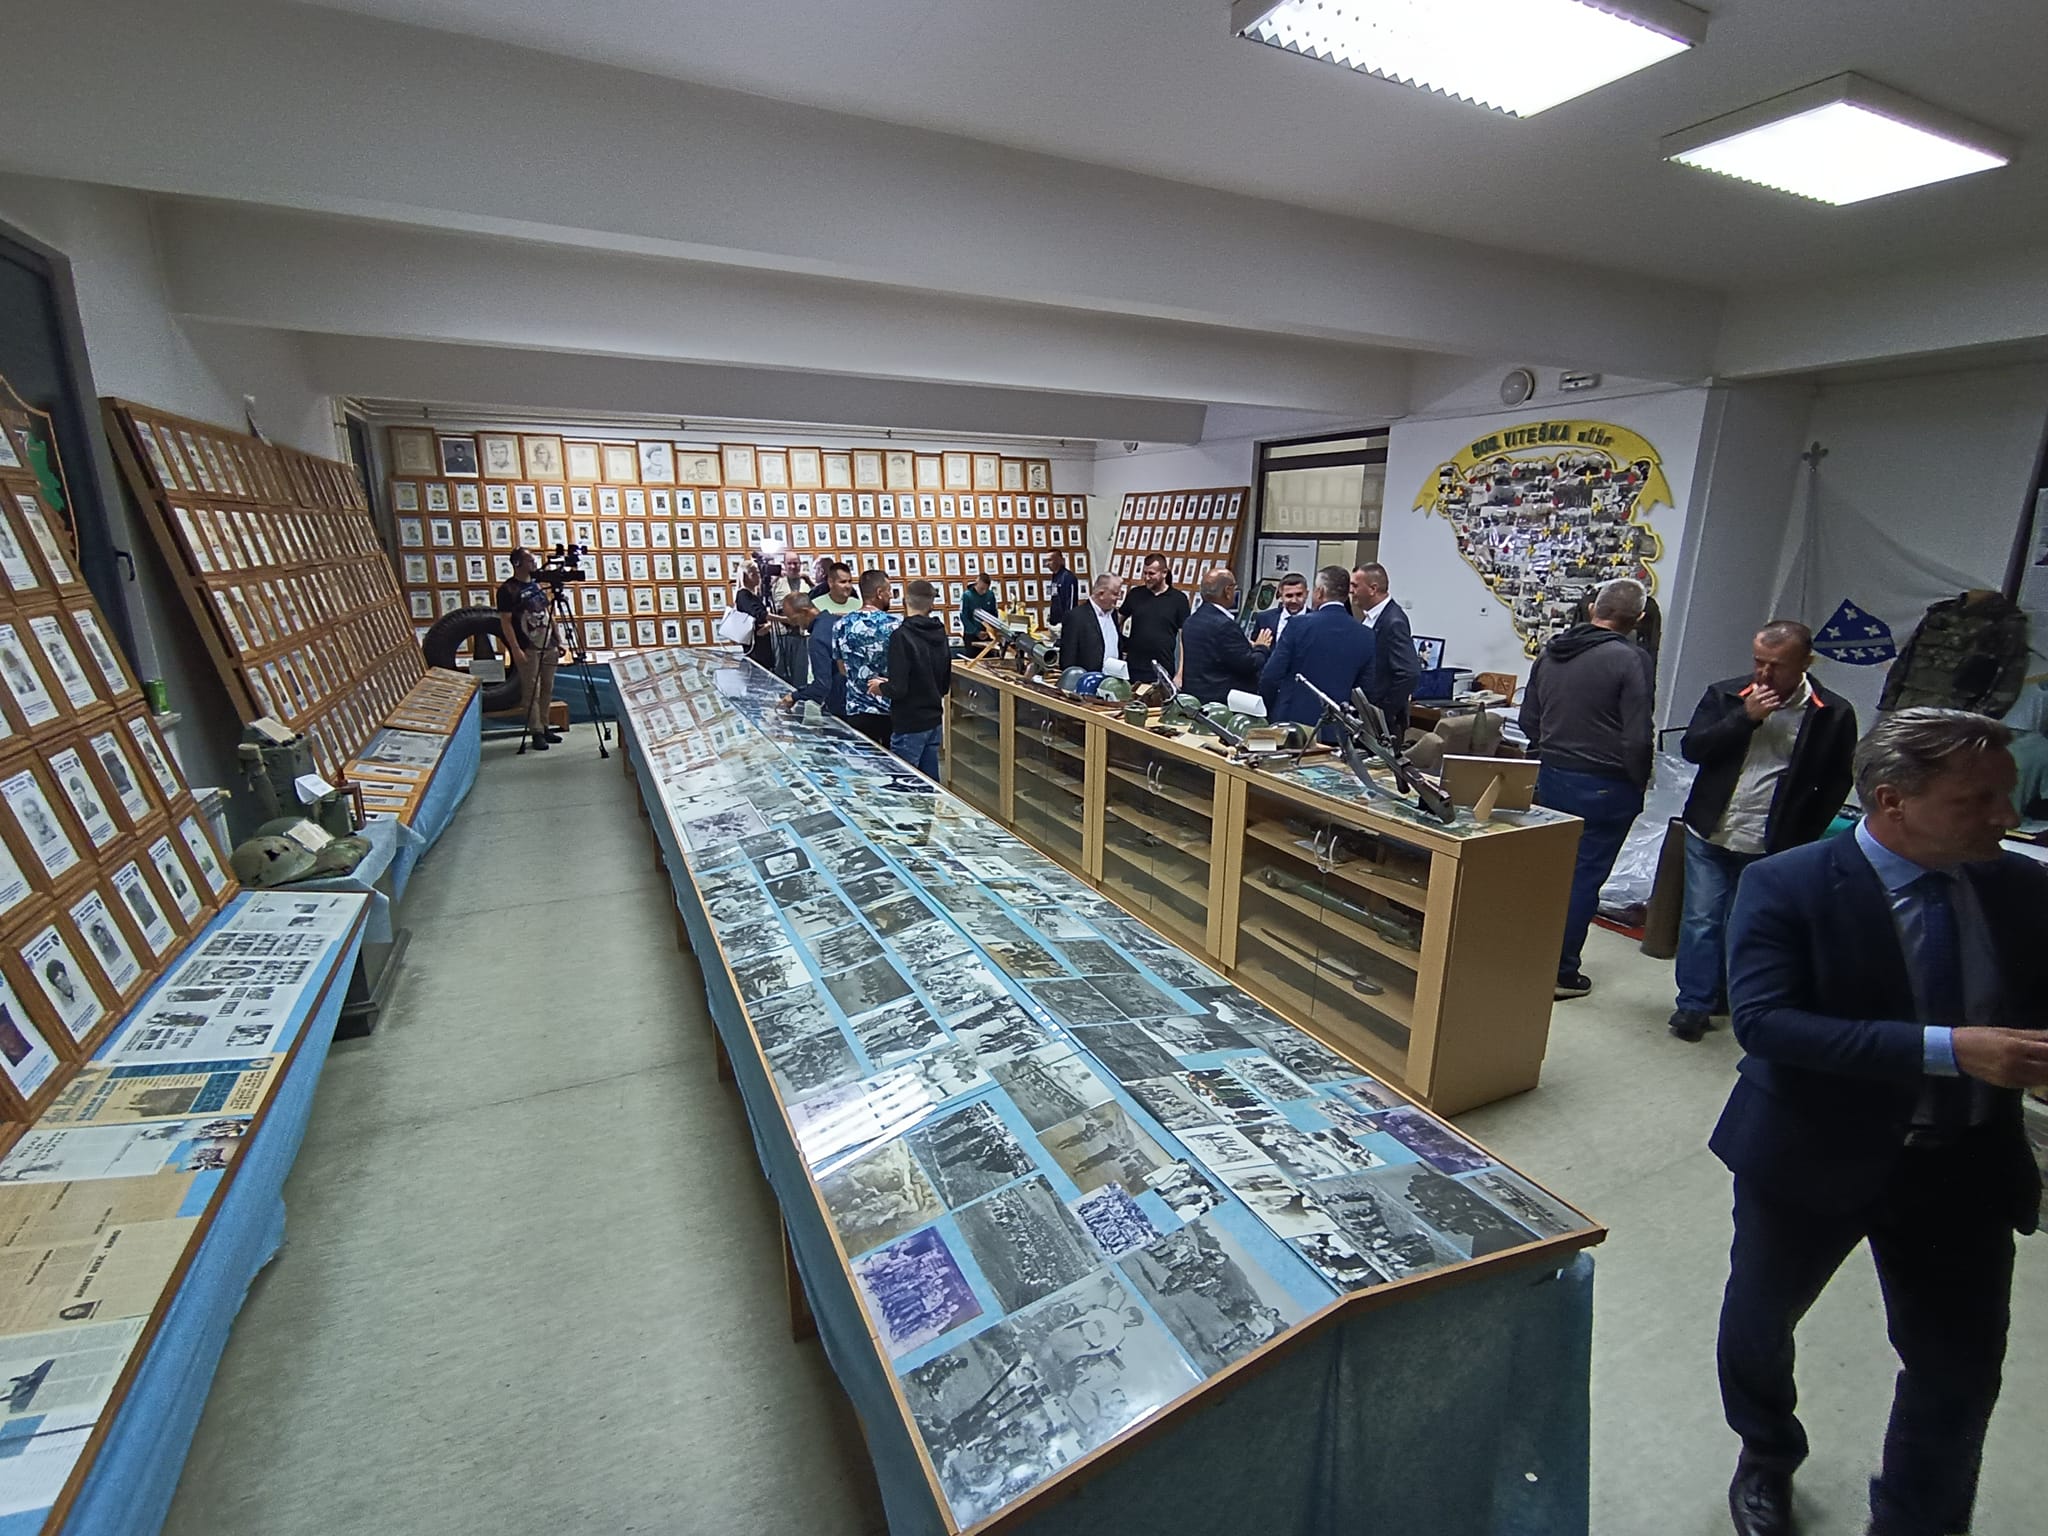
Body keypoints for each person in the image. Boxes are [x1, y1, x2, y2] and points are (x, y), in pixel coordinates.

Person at [1712, 708, 2048, 1536]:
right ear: (1894, 800)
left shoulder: (2019, 886)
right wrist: (1951, 1050)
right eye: (1978, 800)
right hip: (1810, 1155)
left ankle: (1916, 1519)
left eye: (2005, 795)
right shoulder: (1789, 883)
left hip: (1963, 1164)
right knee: (1760, 1324)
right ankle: (1766, 1451)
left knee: (1959, 1369)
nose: (2006, 816)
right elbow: (1766, 1024)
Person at [1669, 621, 1856, 1042]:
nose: (1765, 674)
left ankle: (1725, 995)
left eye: (1777, 665)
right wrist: (1745, 719)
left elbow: (1835, 782)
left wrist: (1804, 834)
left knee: (1742, 924)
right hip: (1711, 828)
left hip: (1771, 840)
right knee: (1700, 920)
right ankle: (1693, 1005)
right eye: (1759, 662)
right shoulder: (1727, 695)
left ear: (1806, 662)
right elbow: (1693, 749)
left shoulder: (1833, 712)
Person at [1518, 577, 1652, 999]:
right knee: (1583, 878)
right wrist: (1639, 780)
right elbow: (1637, 737)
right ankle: (1560, 971)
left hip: (1552, 775)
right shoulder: (1631, 659)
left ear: (1593, 608)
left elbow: (1528, 721)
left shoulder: (1551, 652)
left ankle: (1525, 957)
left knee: (1548, 874)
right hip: (1605, 783)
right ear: (1638, 619)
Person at [1259, 567, 1375, 731]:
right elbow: (1366, 690)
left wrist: (1268, 709)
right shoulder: (1366, 634)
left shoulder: (1298, 625)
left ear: (1319, 592)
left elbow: (1271, 676)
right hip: (1339, 727)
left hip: (1293, 725)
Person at [868, 579, 951, 776]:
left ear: (905, 601)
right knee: (929, 780)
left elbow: (899, 688)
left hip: (910, 722)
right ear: (932, 604)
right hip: (933, 719)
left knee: (904, 781)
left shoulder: (902, 636)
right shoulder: (940, 633)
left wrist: (880, 687)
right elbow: (943, 683)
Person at [494, 547, 562, 753]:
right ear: (517, 563)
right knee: (532, 690)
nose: (534, 564)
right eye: (530, 560)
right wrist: (515, 649)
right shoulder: (508, 590)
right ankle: (536, 731)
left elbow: (549, 613)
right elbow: (506, 622)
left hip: (548, 643)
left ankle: (545, 724)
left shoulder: (537, 585)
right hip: (528, 646)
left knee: (548, 687)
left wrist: (558, 639)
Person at [1180, 568, 1270, 706]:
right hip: (1222, 704)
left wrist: (1245, 646)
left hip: (1197, 699)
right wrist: (1261, 647)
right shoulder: (1225, 625)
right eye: (1234, 588)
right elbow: (1248, 664)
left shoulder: (1191, 621)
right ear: (1227, 591)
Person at [833, 570, 900, 748]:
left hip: (856, 708)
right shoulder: (894, 625)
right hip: (889, 708)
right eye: (889, 591)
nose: (891, 596)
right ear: (879, 593)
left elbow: (842, 668)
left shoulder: (841, 625)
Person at [1354, 563, 1422, 739]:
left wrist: (1383, 711)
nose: (1351, 591)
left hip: (1383, 723)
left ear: (1373, 589)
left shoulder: (1393, 622)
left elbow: (1409, 673)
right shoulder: (1371, 617)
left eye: (1355, 586)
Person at [1120, 554, 1190, 686]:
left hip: (1162, 669)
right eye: (1145, 573)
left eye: (1151, 574)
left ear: (1164, 573)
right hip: (1133, 667)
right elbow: (1117, 622)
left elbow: (1184, 639)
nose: (1147, 578)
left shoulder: (1179, 600)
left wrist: (1180, 674)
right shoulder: (1135, 594)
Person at [779, 595, 843, 719]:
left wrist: (794, 696)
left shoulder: (817, 638)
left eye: (794, 619)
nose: (793, 624)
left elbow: (822, 685)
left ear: (805, 612)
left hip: (841, 706)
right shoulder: (836, 621)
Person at [1058, 574, 1125, 673]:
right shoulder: (1076, 617)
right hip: (1087, 678)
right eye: (1115, 594)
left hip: (1113, 677)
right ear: (1101, 594)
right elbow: (1068, 658)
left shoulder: (1113, 614)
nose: (1118, 598)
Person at [731, 562, 776, 670]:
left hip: (762, 643)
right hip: (755, 646)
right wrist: (783, 619)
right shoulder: (743, 594)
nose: (758, 577)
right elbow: (759, 614)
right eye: (754, 574)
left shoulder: (754, 595)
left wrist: (769, 624)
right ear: (745, 577)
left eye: (758, 573)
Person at [1250, 572, 1310, 646]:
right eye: (1289, 596)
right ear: (1281, 596)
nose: (1294, 600)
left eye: (1299, 595)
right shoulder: (1264, 619)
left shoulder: (1317, 621)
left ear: (1307, 594)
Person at [959, 571, 1002, 645]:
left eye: (986, 589)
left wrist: (992, 629)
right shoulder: (967, 595)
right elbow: (964, 616)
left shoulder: (990, 595)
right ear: (977, 583)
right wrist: (976, 632)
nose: (984, 591)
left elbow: (994, 613)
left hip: (988, 634)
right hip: (971, 634)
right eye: (982, 588)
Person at [1046, 552, 1080, 629]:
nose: (1047, 564)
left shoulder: (1068, 577)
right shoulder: (1055, 576)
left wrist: (1067, 622)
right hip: (1055, 623)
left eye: (1050, 560)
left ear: (1059, 560)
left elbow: (1071, 603)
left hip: (1065, 624)